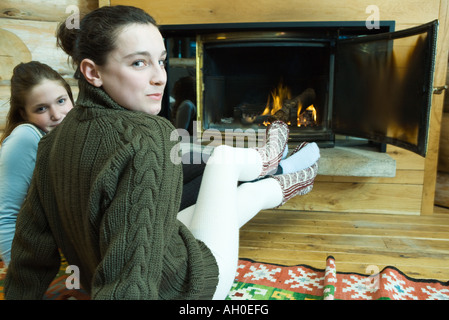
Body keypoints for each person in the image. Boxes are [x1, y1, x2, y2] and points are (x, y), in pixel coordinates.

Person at [4, 5, 319, 300]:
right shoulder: (149, 136)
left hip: (107, 271)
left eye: (161, 60)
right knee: (224, 160)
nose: (160, 77)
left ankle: (278, 171)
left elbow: (31, 249)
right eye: (139, 63)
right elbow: (130, 285)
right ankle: (276, 165)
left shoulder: (51, 142)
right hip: (186, 291)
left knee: (222, 193)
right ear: (93, 72)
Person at [0, 61, 74, 266]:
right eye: (41, 108)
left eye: (61, 101)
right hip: (38, 265)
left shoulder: (71, 137)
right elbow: (6, 218)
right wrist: (22, 282)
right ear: (24, 114)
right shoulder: (26, 138)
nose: (56, 115)